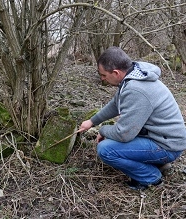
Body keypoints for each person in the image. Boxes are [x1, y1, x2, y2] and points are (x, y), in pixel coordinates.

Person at [79, 46, 186, 190]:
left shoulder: (136, 89)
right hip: (162, 138)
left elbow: (124, 134)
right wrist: (92, 121)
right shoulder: (134, 75)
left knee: (106, 149)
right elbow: (115, 105)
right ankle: (158, 163)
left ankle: (151, 177)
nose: (102, 78)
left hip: (167, 145)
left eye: (104, 75)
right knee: (112, 140)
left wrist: (103, 130)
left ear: (116, 73)